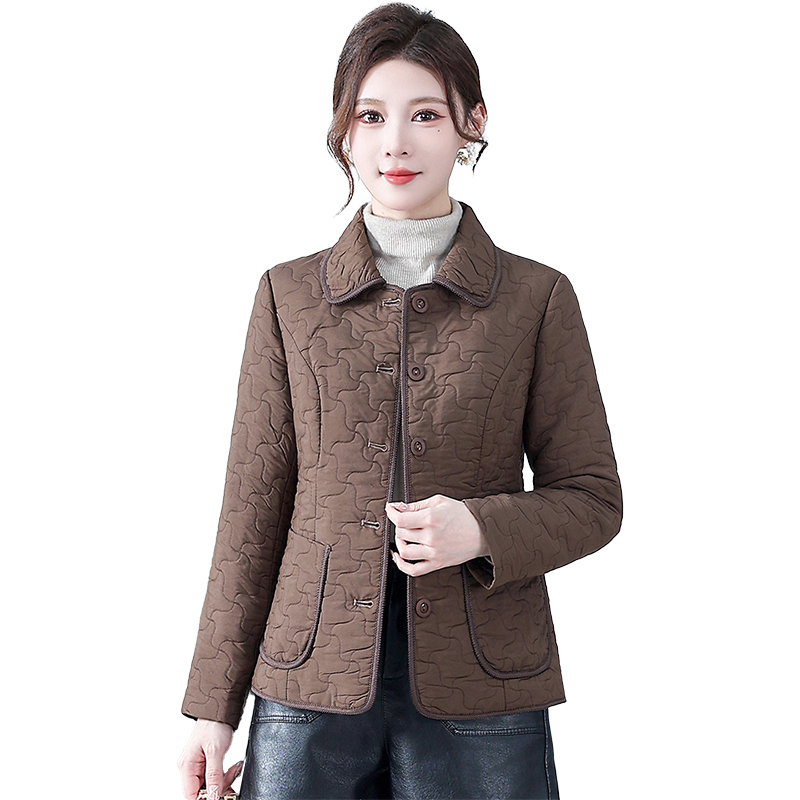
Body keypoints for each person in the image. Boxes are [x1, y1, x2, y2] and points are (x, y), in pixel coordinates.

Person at [177, 4, 622, 799]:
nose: (395, 144)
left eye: (425, 115)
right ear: (343, 131)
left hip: (484, 689)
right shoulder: (288, 297)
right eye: (371, 116)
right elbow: (251, 511)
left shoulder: (537, 298)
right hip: (307, 690)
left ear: (471, 122)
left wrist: (481, 528)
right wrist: (212, 710)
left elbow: (593, 498)